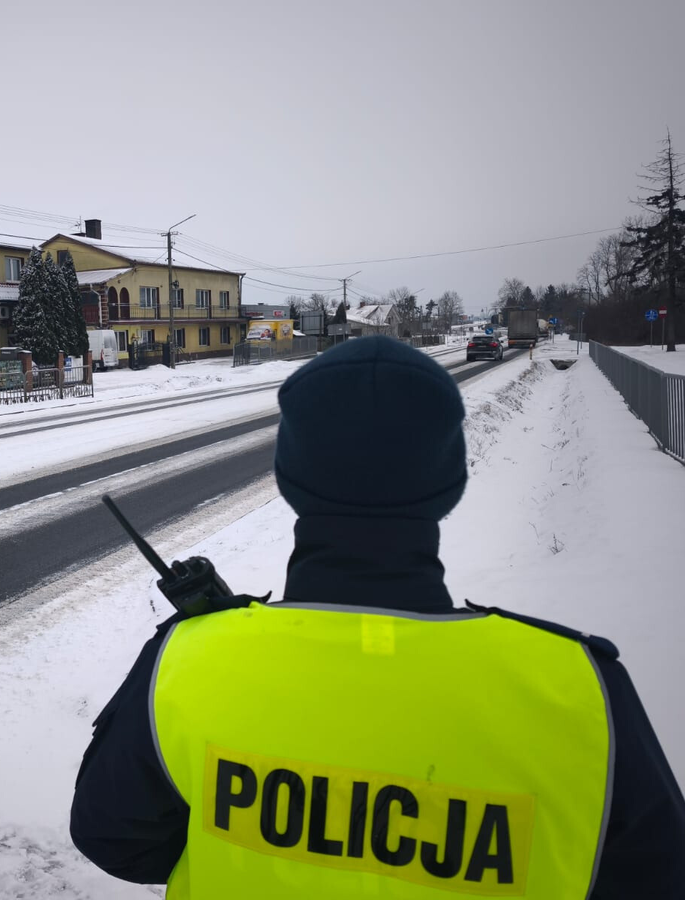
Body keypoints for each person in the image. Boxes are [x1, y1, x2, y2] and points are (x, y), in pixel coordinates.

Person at [70, 337, 685, 898]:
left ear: (289, 477)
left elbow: (113, 837)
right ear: (450, 479)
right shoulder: (581, 691)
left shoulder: (185, 663)